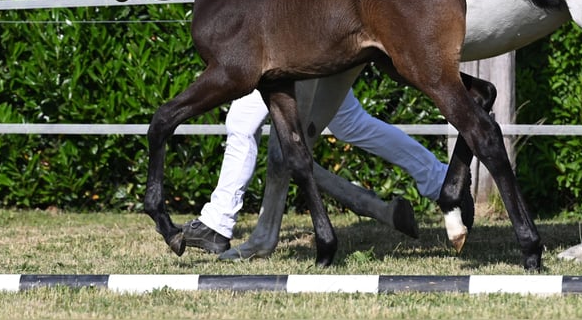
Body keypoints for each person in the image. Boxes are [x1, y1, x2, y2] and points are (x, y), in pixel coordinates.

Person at [182, 88, 449, 253]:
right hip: (321, 41)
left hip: (295, 47)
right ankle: (438, 177)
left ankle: (218, 223)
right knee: (351, 123)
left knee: (241, 121)